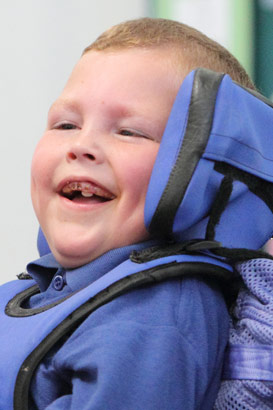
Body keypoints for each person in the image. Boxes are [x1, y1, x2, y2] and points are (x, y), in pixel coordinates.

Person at [0, 17, 272, 410]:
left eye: (128, 131)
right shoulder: (43, 294)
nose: (82, 145)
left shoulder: (155, 309)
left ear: (204, 174)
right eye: (65, 124)